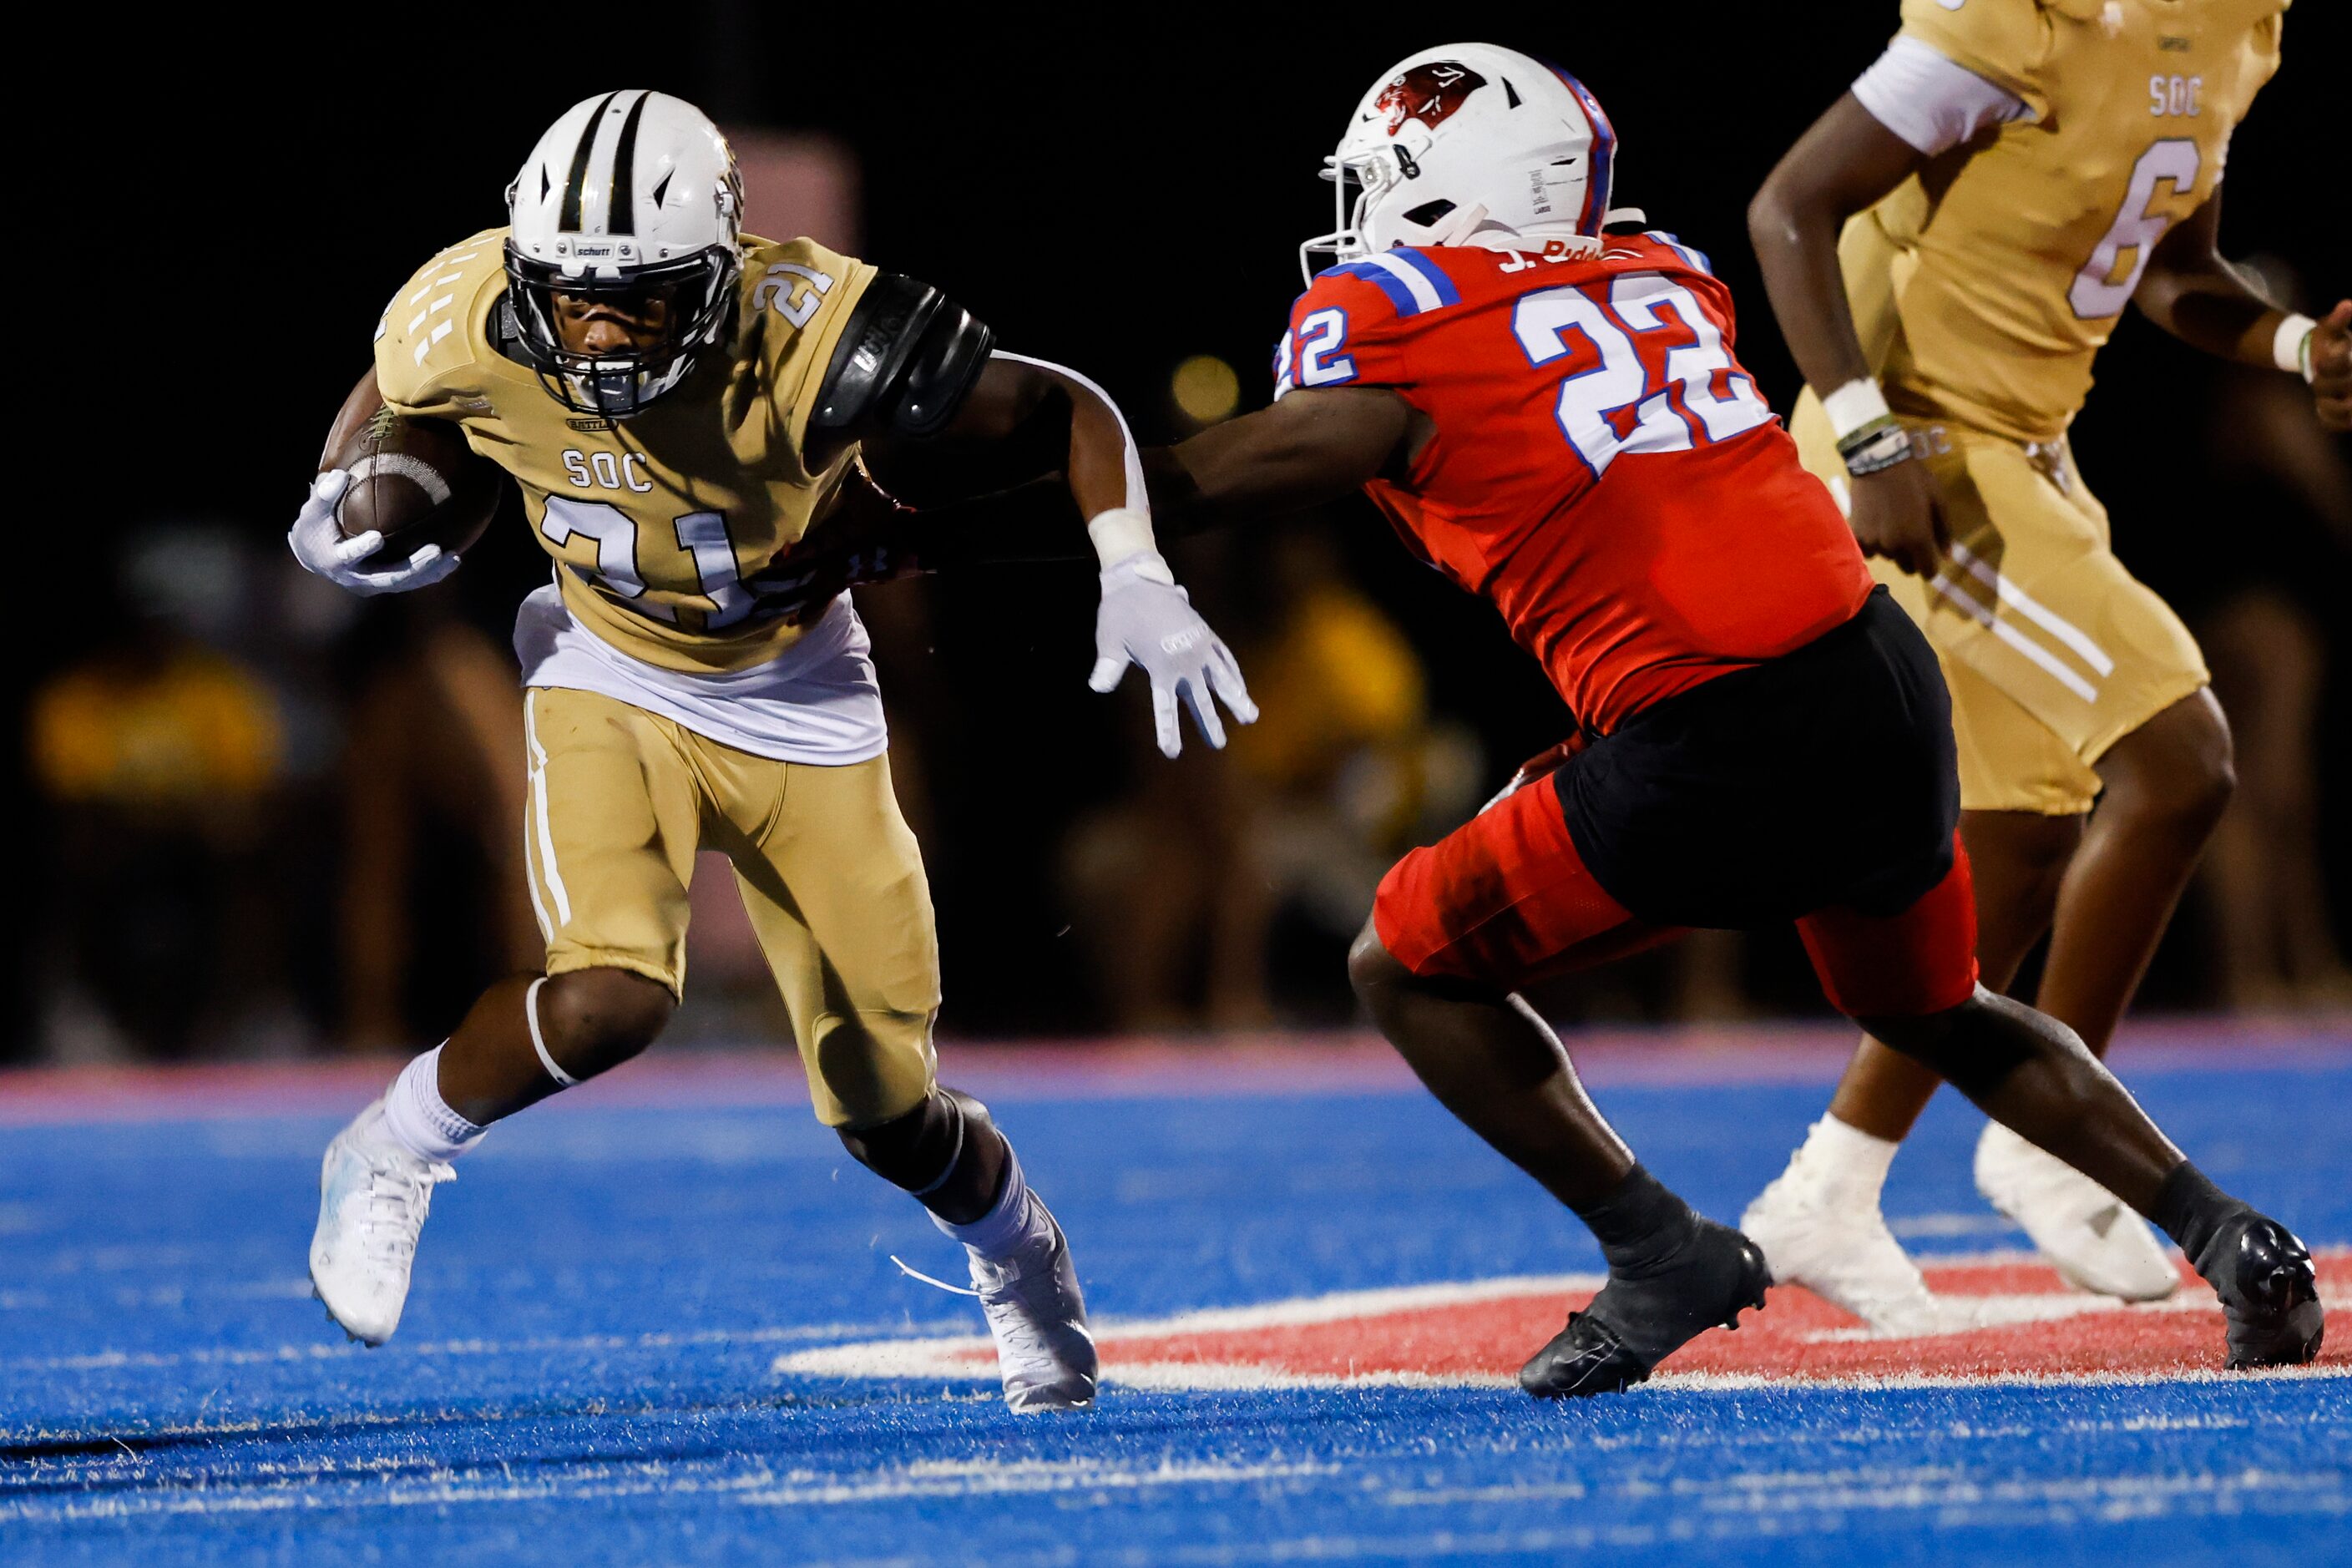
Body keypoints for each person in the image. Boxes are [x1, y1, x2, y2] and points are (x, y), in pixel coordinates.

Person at [766, 43, 2325, 1395]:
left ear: (1443, 188)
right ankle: (2221, 1227)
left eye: (1380, 183)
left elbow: (1222, 475)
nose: (1359, 220)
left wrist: (938, 526)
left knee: (1404, 960)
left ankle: (1659, 1250)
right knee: (1936, 1008)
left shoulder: (1402, 325)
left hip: (1710, 731)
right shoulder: (1660, 275)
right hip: (1872, 678)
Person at [286, 91, 1255, 1412]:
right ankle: (391, 1146)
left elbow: (1065, 403)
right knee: (609, 994)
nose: (605, 327)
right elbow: (394, 396)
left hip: (799, 694)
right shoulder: (461, 309)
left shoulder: (811, 325)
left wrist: (1130, 564)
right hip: (605, 665)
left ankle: (1020, 1255)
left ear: (723, 272)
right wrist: (338, 496)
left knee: (888, 1109)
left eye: (642, 295)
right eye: (574, 296)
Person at [1740, 0, 2349, 1329]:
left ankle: (1828, 1182)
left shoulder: (2232, 32)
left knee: (2018, 841)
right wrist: (1864, 435)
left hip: (2026, 451)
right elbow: (1788, 207)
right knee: (2180, 755)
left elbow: (2171, 272)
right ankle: (2052, 1140)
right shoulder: (2013, 19)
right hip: (1921, 450)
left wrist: (2295, 345)